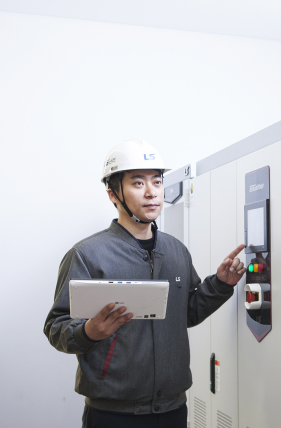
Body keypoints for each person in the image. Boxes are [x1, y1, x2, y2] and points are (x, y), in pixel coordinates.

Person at [44, 139, 245, 428]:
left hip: (173, 409)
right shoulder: (87, 255)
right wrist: (89, 332)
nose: (152, 193)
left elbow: (185, 313)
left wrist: (221, 285)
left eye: (157, 181)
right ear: (114, 194)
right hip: (113, 414)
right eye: (138, 183)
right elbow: (56, 327)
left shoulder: (176, 251)